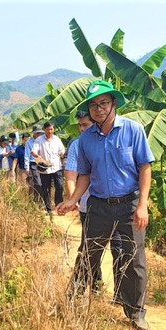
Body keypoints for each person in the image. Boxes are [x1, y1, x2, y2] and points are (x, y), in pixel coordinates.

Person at [56, 80, 154, 330]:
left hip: (129, 204)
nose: (98, 109)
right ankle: (75, 301)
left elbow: (145, 167)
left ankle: (136, 312)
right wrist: (73, 199)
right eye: (93, 105)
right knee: (88, 254)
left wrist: (142, 205)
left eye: (103, 103)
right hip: (99, 205)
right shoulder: (86, 139)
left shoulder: (133, 130)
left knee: (134, 260)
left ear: (114, 104)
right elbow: (85, 175)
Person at [65, 110, 122, 299]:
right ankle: (87, 287)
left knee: (119, 248)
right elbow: (72, 175)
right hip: (88, 205)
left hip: (116, 205)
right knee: (90, 248)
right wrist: (74, 199)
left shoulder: (111, 140)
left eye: (85, 125)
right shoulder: (77, 145)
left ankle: (120, 294)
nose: (82, 129)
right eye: (80, 125)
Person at [31, 122, 66, 214]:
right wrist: (40, 158)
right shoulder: (39, 140)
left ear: (54, 130)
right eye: (47, 129)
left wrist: (62, 154)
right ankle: (48, 209)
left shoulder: (57, 139)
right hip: (45, 169)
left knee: (60, 186)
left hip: (56, 167)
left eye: (51, 129)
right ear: (44, 130)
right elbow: (33, 152)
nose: (50, 131)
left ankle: (59, 207)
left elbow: (61, 150)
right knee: (46, 189)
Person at [26, 125, 45, 196]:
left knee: (43, 182)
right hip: (33, 163)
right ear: (34, 133)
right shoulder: (29, 142)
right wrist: (27, 168)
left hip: (42, 163)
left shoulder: (42, 140)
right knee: (37, 182)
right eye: (37, 133)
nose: (39, 135)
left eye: (40, 133)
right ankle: (37, 198)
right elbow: (27, 156)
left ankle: (42, 197)